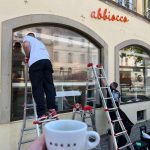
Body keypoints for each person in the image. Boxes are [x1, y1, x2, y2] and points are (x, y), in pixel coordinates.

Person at [23, 32, 58, 120]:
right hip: (47, 62)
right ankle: (52, 109)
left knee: (38, 87)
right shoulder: (39, 43)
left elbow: (26, 45)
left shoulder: (27, 38)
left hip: (36, 63)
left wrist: (27, 56)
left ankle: (41, 113)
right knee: (49, 86)